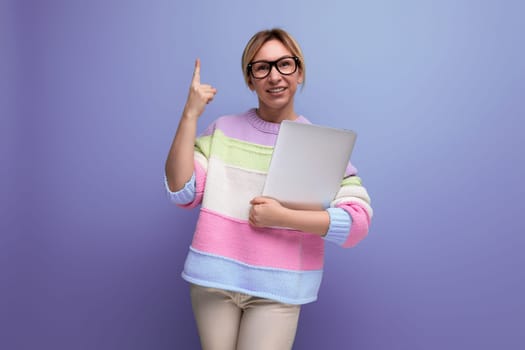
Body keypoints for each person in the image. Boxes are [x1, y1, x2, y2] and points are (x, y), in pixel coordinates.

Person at [164, 28, 373, 350]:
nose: (274, 76)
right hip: (213, 281)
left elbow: (355, 225)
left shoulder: (321, 145)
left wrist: (284, 216)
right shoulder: (223, 130)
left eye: (284, 64)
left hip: (279, 287)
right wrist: (190, 114)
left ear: (299, 72)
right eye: (261, 67)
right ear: (250, 79)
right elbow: (182, 191)